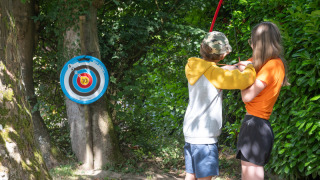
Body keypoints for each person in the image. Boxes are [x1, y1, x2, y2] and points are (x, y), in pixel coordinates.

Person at [183, 31, 256, 180]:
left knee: (190, 175)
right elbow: (244, 81)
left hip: (190, 133)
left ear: (202, 48)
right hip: (205, 137)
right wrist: (250, 67)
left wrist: (230, 68)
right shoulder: (216, 75)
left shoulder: (193, 66)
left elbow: (210, 71)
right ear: (223, 56)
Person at [236, 22, 289, 180]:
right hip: (253, 124)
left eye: (252, 42)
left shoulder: (272, 66)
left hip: (256, 126)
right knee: (246, 172)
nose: (251, 45)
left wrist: (241, 78)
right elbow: (237, 67)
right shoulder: (265, 63)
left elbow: (246, 96)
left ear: (257, 43)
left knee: (252, 173)